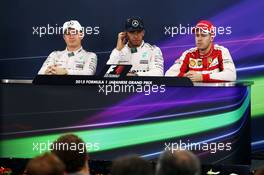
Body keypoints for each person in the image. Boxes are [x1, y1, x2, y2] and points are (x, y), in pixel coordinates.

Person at [165, 20, 236, 82]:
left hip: (216, 95)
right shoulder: (189, 54)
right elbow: (168, 74)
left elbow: (231, 75)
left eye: (203, 35)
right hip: (193, 95)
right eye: (197, 35)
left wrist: (202, 77)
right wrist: (185, 77)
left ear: (211, 37)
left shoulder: (221, 51)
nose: (199, 39)